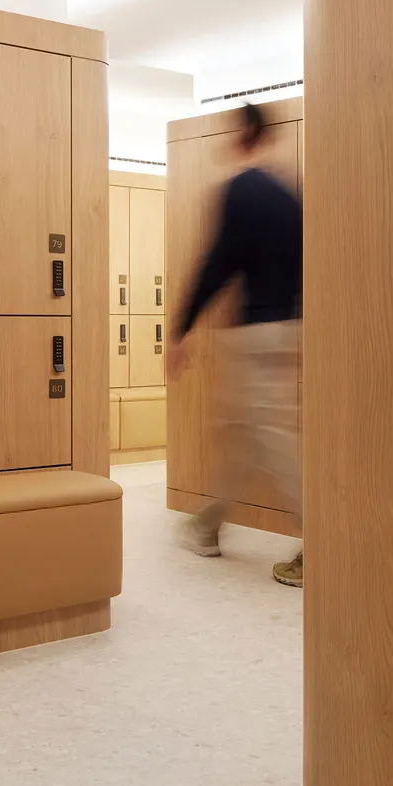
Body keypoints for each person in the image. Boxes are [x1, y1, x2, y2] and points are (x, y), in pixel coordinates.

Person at [168, 102, 304, 586]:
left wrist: (182, 326)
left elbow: (218, 263)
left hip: (253, 332)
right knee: (243, 433)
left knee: (268, 435)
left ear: (246, 134)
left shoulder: (242, 189)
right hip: (286, 327)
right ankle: (207, 525)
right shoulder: (291, 196)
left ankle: (324, 538)